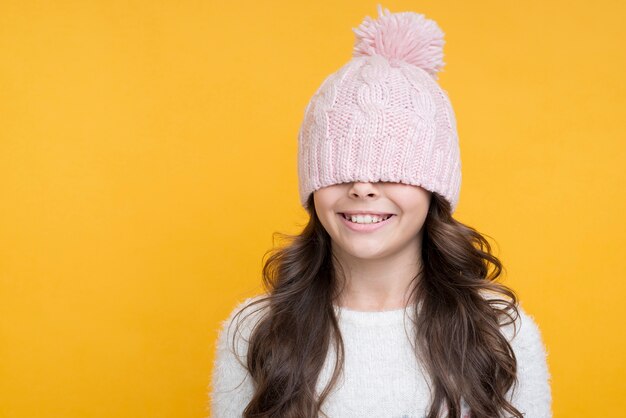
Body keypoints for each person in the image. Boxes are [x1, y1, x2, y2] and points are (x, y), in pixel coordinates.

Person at [209, 4, 552, 417]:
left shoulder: (500, 334)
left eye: (392, 170)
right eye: (340, 171)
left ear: (433, 188)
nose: (363, 188)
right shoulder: (255, 330)